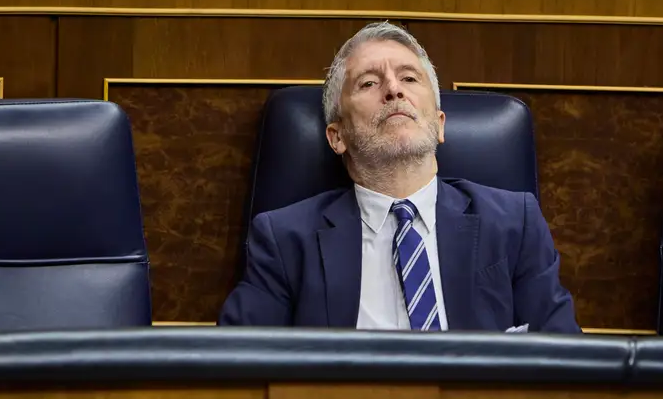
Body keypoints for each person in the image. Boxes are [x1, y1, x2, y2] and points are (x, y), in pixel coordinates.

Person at [218, 22, 579, 333]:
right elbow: (234, 368)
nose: (394, 89)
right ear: (337, 136)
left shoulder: (514, 223)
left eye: (409, 77)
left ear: (439, 125)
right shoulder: (284, 240)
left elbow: (567, 365)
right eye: (368, 83)